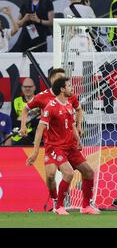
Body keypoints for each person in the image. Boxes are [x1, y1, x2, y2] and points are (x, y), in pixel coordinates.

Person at [26, 77, 99, 215]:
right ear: (62, 89)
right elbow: (40, 129)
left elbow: (71, 125)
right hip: (56, 147)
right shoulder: (51, 107)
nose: (72, 88)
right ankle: (59, 206)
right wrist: (35, 152)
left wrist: (78, 140)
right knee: (67, 173)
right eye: (69, 86)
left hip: (70, 147)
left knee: (89, 172)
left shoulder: (69, 105)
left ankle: (85, 207)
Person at [19, 68, 84, 210]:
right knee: (50, 176)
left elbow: (79, 109)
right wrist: (23, 126)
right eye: (60, 78)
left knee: (82, 171)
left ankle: (83, 203)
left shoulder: (69, 95)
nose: (65, 82)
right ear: (53, 80)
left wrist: (79, 126)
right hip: (51, 143)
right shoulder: (42, 97)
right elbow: (25, 109)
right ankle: (56, 200)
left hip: (68, 142)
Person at [10, 78, 39, 146]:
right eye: (25, 87)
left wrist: (21, 118)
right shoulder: (16, 101)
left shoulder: (40, 100)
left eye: (30, 87)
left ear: (34, 88)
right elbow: (13, 121)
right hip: (17, 138)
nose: (27, 89)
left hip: (34, 137)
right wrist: (32, 115)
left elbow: (40, 122)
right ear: (22, 88)